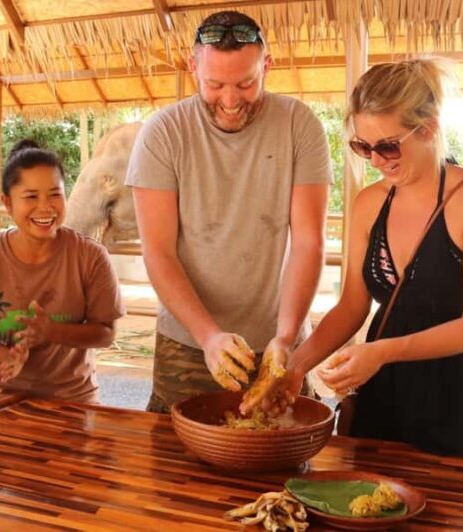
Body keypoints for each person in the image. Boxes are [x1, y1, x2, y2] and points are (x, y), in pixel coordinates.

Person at [253, 58, 463, 458]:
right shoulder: (369, 202)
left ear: (427, 128)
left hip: (460, 387)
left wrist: (383, 351)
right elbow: (353, 305)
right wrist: (295, 367)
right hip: (385, 383)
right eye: (362, 147)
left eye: (388, 145)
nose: (375, 160)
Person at [125, 11, 332, 413]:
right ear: (193, 67)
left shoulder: (300, 125)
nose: (231, 100)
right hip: (187, 340)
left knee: (283, 453)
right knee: (173, 460)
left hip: (278, 339)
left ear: (267, 66)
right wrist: (208, 337)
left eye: (246, 83)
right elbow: (158, 252)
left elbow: (309, 241)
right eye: (214, 84)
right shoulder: (163, 133)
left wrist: (286, 338)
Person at [0, 140, 125, 402]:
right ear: (8, 204)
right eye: (31, 196)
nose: (45, 207)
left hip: (73, 398)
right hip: (1, 394)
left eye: (55, 194)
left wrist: (51, 330)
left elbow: (106, 333)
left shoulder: (91, 256)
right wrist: (7, 356)